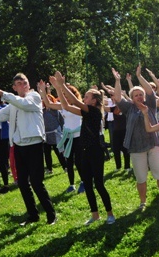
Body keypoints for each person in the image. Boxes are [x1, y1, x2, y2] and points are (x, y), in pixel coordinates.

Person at [0, 72, 57, 225]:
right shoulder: (13, 104)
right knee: (22, 183)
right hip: (19, 146)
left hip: (34, 144)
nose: (23, 85)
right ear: (14, 87)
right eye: (19, 83)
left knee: (36, 182)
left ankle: (51, 214)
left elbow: (23, 104)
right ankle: (33, 215)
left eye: (25, 82)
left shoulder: (34, 97)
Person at [47, 73, 116, 225]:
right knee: (88, 184)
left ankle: (110, 214)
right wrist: (58, 88)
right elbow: (65, 106)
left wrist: (62, 85)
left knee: (99, 184)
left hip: (95, 152)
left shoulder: (95, 112)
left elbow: (73, 101)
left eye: (86, 96)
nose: (84, 98)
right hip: (84, 152)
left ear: (94, 101)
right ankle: (95, 215)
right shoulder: (86, 112)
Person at [110, 65, 159, 210]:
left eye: (140, 94)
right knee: (141, 177)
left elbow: (149, 90)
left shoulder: (151, 104)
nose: (139, 97)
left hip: (154, 144)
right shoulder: (128, 108)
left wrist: (139, 76)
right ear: (131, 98)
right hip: (136, 147)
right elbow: (117, 97)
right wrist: (117, 80)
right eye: (135, 95)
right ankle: (143, 202)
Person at [43, 84, 83, 193]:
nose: (64, 97)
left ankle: (83, 182)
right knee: (69, 162)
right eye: (64, 95)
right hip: (67, 137)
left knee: (79, 162)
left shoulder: (79, 106)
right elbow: (48, 103)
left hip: (78, 137)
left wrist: (60, 86)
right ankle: (71, 185)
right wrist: (42, 90)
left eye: (66, 94)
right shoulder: (63, 106)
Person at [42, 93, 67, 174]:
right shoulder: (42, 112)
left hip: (55, 134)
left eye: (49, 99)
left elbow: (61, 121)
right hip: (46, 135)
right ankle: (49, 169)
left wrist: (62, 131)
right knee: (47, 153)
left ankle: (65, 166)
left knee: (59, 152)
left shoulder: (55, 111)